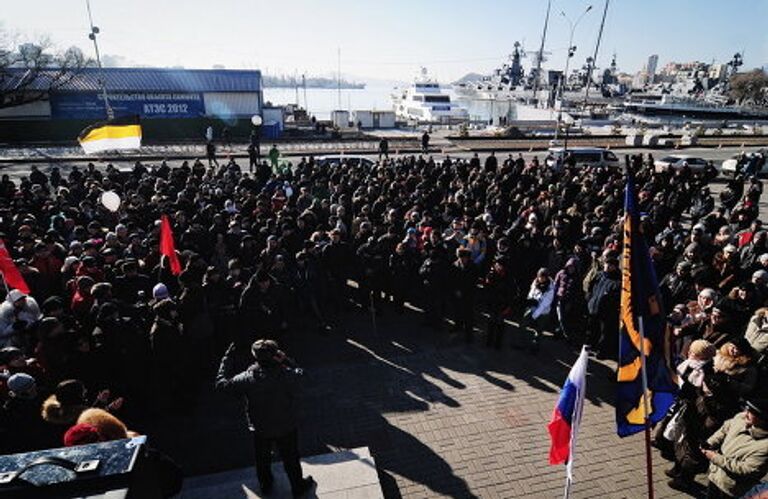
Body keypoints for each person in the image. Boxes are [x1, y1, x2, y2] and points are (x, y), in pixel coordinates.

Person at [216, 340, 314, 498]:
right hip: (286, 425)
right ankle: (297, 486)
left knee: (262, 458)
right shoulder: (286, 374)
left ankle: (266, 484)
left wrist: (227, 359)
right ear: (276, 355)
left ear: (255, 357)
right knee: (291, 458)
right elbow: (305, 377)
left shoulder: (247, 378)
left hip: (260, 427)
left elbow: (221, 384)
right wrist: (287, 360)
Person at [702, 398, 768, 498]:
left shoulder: (765, 446)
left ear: (763, 419)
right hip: (715, 476)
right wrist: (710, 442)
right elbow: (726, 428)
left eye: (751, 412)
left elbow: (746, 470)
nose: (746, 413)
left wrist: (715, 457)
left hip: (731, 489)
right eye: (747, 409)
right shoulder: (741, 418)